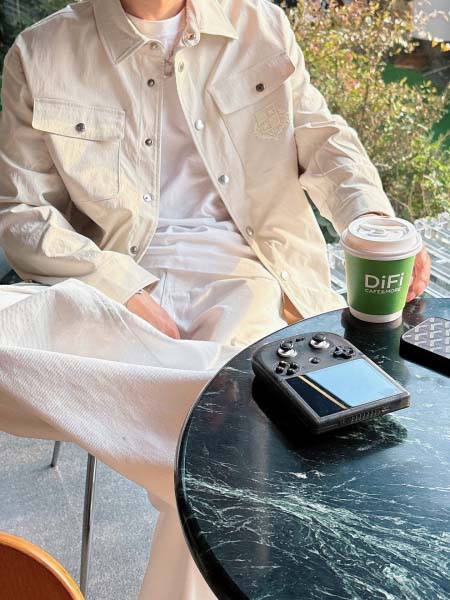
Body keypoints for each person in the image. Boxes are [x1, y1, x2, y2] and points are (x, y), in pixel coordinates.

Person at [0, 0, 431, 598]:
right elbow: (21, 211)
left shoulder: (260, 26)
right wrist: (121, 288)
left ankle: (220, 454)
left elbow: (323, 138)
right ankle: (237, 453)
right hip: (115, 277)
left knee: (225, 451)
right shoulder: (42, 52)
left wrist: (371, 219)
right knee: (240, 438)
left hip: (250, 269)